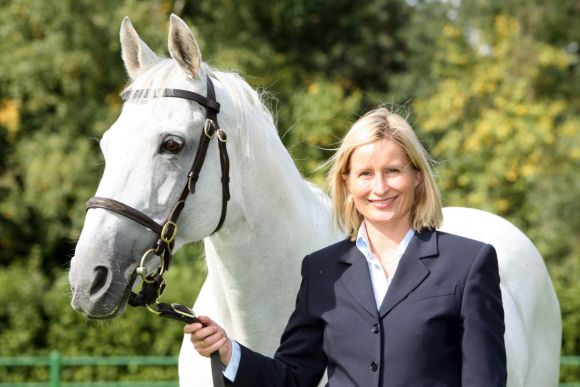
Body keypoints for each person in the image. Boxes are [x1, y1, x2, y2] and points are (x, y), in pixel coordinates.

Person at [184, 107, 507, 386]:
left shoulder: (468, 264)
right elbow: (293, 378)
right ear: (347, 183)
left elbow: (484, 380)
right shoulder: (321, 271)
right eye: (365, 174)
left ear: (417, 177)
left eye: (392, 171)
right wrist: (229, 351)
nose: (379, 187)